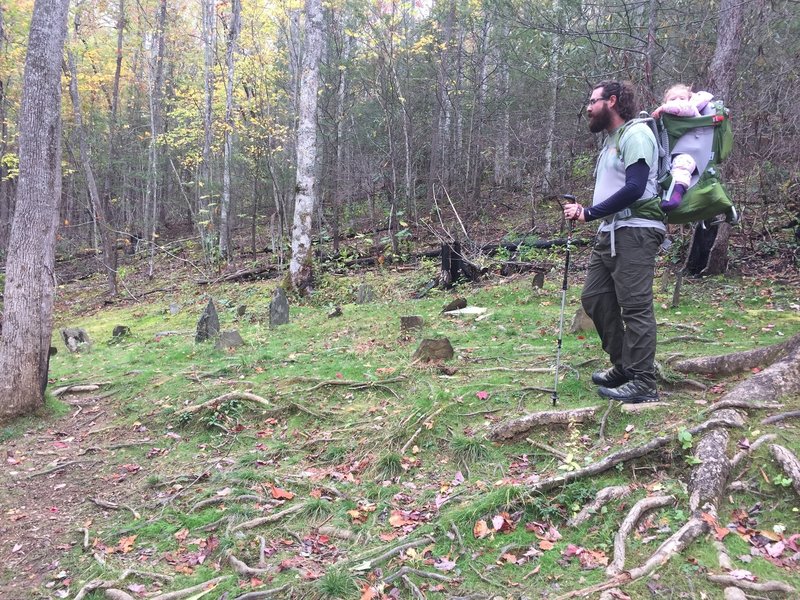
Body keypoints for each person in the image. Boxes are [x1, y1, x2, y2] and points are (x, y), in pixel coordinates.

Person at [563, 80, 666, 403]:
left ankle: (643, 381)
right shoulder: (612, 140)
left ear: (612, 101)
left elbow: (635, 187)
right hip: (610, 232)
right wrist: (594, 215)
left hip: (635, 231)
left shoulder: (636, 134)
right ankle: (624, 365)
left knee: (635, 307)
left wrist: (589, 213)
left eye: (593, 102)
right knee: (595, 297)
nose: (588, 109)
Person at [651, 84, 714, 211]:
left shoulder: (690, 108)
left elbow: (682, 108)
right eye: (673, 99)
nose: (678, 101)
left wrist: (664, 107)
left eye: (682, 98)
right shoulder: (667, 117)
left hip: (691, 154)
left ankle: (677, 192)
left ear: (689, 100)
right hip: (671, 155)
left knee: (681, 165)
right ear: (666, 101)